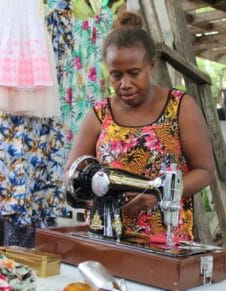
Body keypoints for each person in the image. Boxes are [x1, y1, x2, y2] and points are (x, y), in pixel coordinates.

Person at [64, 11, 215, 241]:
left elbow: (204, 171)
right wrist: (94, 192)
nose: (125, 84)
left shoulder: (180, 107)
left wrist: (160, 193)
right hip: (106, 235)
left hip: (164, 236)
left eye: (134, 73)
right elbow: (72, 172)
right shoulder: (100, 113)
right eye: (116, 75)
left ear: (151, 66)